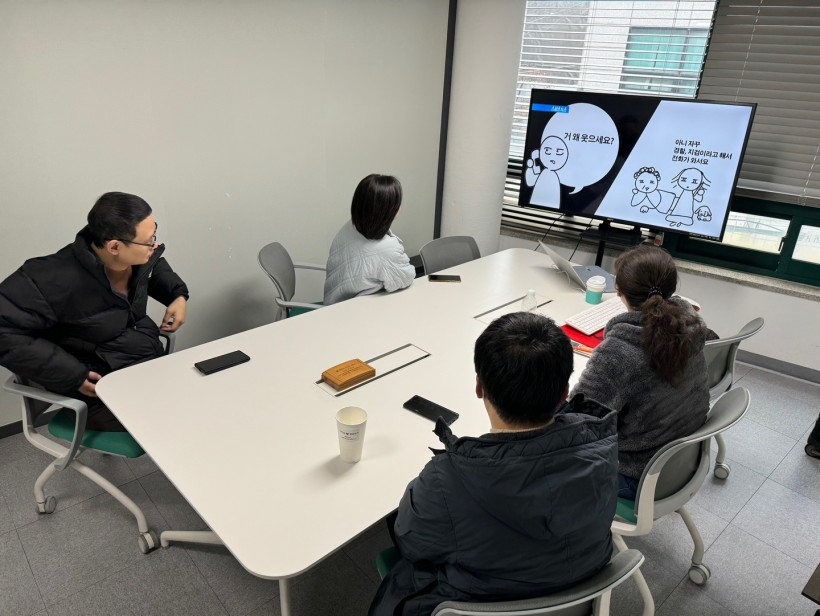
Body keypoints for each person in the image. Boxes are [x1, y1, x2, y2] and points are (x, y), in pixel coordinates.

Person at [369, 312, 618, 616]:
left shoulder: (448, 481)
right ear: (565, 392)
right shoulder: (603, 444)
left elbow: (410, 539)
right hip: (577, 595)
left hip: (480, 603)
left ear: (479, 387)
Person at [0, 192, 189, 432]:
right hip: (101, 389)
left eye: (155, 233)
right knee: (180, 422)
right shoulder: (49, 278)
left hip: (145, 365)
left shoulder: (138, 257)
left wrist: (177, 295)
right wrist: (72, 375)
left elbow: (154, 266)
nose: (155, 244)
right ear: (114, 246)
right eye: (149, 240)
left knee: (201, 395)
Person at [572, 244, 709, 500]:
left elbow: (576, 425)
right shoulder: (689, 323)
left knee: (539, 462)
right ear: (671, 289)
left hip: (637, 474)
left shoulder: (619, 352)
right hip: (683, 462)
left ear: (618, 290)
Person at [323, 174, 416, 305]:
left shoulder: (349, 227)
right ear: (388, 210)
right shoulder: (388, 249)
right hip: (356, 310)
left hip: (334, 301)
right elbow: (406, 277)